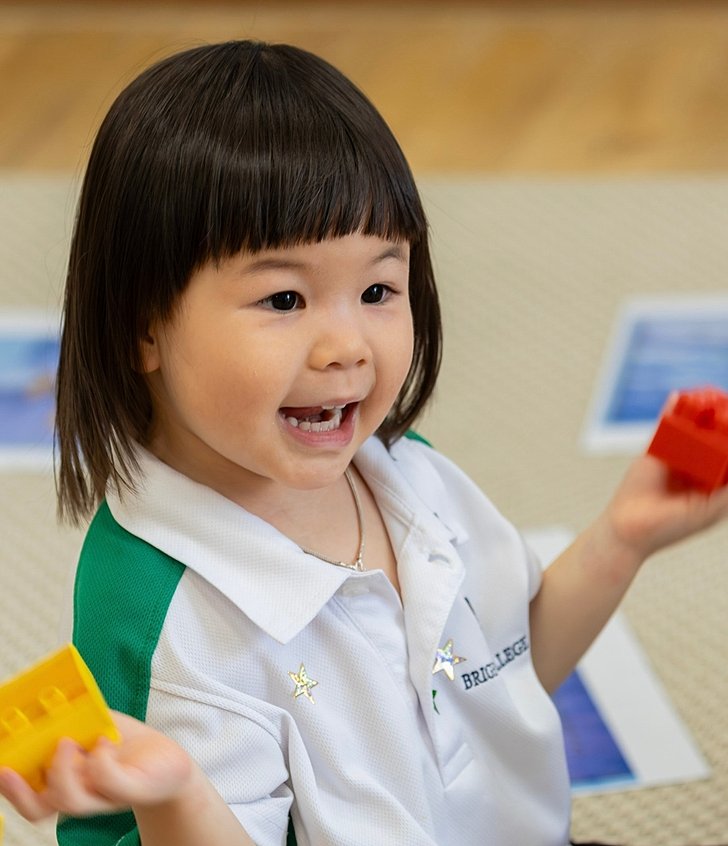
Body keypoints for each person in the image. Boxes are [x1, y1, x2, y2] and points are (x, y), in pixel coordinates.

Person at [0, 39, 726, 846]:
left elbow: (491, 679)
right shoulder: (171, 609)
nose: (347, 344)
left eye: (379, 288)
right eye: (284, 298)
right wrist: (179, 798)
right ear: (145, 323)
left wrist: (621, 540)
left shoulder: (407, 477)